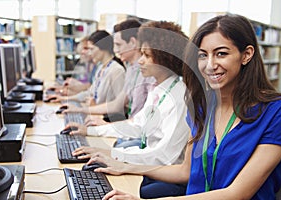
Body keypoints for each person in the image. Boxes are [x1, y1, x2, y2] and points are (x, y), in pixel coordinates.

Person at [88, 14, 281, 200]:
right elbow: (185, 171)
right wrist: (125, 167)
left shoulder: (279, 111)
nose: (210, 65)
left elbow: (238, 193)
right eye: (203, 55)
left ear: (246, 54)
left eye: (221, 54)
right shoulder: (203, 107)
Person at [69, 20, 190, 198]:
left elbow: (165, 157)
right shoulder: (161, 88)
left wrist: (116, 156)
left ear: (165, 58)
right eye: (141, 53)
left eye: (147, 55)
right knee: (103, 177)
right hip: (149, 166)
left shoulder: (181, 98)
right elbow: (137, 125)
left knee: (113, 189)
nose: (140, 60)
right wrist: (92, 132)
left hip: (166, 178)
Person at [62, 18, 155, 126]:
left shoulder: (145, 73)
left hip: (134, 132)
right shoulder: (131, 70)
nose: (115, 50)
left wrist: (105, 124)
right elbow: (117, 104)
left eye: (119, 45)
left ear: (133, 42)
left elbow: (124, 113)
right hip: (128, 129)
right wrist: (80, 109)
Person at [47, 30, 125, 106]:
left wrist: (95, 106)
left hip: (105, 118)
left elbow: (120, 105)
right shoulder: (101, 67)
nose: (90, 53)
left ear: (103, 47)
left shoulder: (116, 70)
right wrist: (64, 98)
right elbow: (89, 93)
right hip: (96, 114)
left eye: (92, 49)